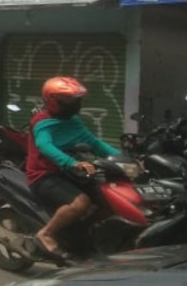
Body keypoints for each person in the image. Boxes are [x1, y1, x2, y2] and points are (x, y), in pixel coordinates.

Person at [25, 76, 120, 259]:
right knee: (80, 202)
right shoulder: (42, 122)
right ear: (52, 100)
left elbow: (94, 143)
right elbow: (45, 146)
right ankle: (45, 234)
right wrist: (72, 163)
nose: (74, 104)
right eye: (68, 100)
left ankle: (81, 231)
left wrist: (123, 159)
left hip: (72, 173)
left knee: (112, 200)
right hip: (44, 175)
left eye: (76, 100)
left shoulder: (73, 121)